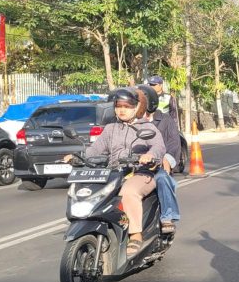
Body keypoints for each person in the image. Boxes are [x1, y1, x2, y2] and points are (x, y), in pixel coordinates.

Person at [66, 88, 166, 256]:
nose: (122, 110)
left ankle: (135, 234)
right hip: (113, 173)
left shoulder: (147, 127)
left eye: (127, 106)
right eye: (118, 106)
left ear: (135, 108)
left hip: (140, 173)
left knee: (129, 192)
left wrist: (149, 155)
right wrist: (78, 156)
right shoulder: (111, 128)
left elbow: (159, 146)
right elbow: (96, 149)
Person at [137, 84, 181, 233]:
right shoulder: (128, 122)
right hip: (133, 167)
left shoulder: (165, 120)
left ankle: (167, 216)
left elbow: (174, 143)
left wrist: (167, 159)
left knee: (162, 178)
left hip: (156, 166)